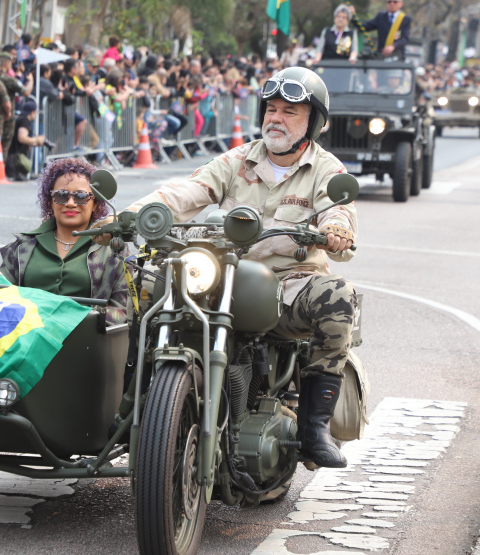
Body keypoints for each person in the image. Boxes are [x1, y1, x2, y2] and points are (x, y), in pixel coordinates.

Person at [104, 67, 358, 469]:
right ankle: (129, 406)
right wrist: (132, 216)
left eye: (289, 112)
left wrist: (336, 229)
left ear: (313, 122)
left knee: (339, 298)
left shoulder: (326, 169)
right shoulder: (238, 160)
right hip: (226, 278)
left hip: (290, 287)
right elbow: (186, 191)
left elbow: (337, 209)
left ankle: (314, 429)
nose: (276, 118)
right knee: (146, 289)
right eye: (271, 109)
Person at [0, 157, 127, 323]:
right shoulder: (23, 246)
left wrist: (80, 325)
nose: (70, 203)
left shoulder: (113, 249)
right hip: (26, 334)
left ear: (95, 203)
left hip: (86, 336)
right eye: (61, 195)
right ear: (50, 201)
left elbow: (121, 310)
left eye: (81, 196)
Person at [6, 98, 47, 181]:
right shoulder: (25, 121)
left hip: (12, 158)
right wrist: (36, 140)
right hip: (15, 159)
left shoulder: (20, 119)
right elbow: (22, 138)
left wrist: (35, 142)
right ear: (33, 112)